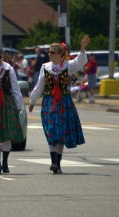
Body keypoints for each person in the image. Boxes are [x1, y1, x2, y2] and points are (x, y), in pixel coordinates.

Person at [29, 35, 90, 174]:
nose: (49, 55)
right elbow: (39, 86)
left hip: (64, 102)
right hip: (49, 102)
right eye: (49, 52)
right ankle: (53, 162)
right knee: (51, 131)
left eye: (52, 52)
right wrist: (33, 101)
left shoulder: (68, 66)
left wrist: (82, 48)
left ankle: (57, 163)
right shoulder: (45, 67)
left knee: (61, 132)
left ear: (60, 54)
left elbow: (80, 63)